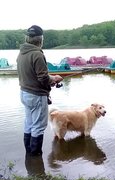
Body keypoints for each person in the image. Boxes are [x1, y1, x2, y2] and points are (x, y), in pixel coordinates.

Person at [17, 25, 63, 156]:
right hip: (36, 96)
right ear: (40, 39)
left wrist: (50, 81)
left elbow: (33, 75)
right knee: (38, 126)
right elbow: (43, 77)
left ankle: (30, 157)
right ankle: (36, 156)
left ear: (28, 37)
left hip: (24, 93)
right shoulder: (37, 54)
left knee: (29, 123)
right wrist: (54, 78)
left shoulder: (21, 53)